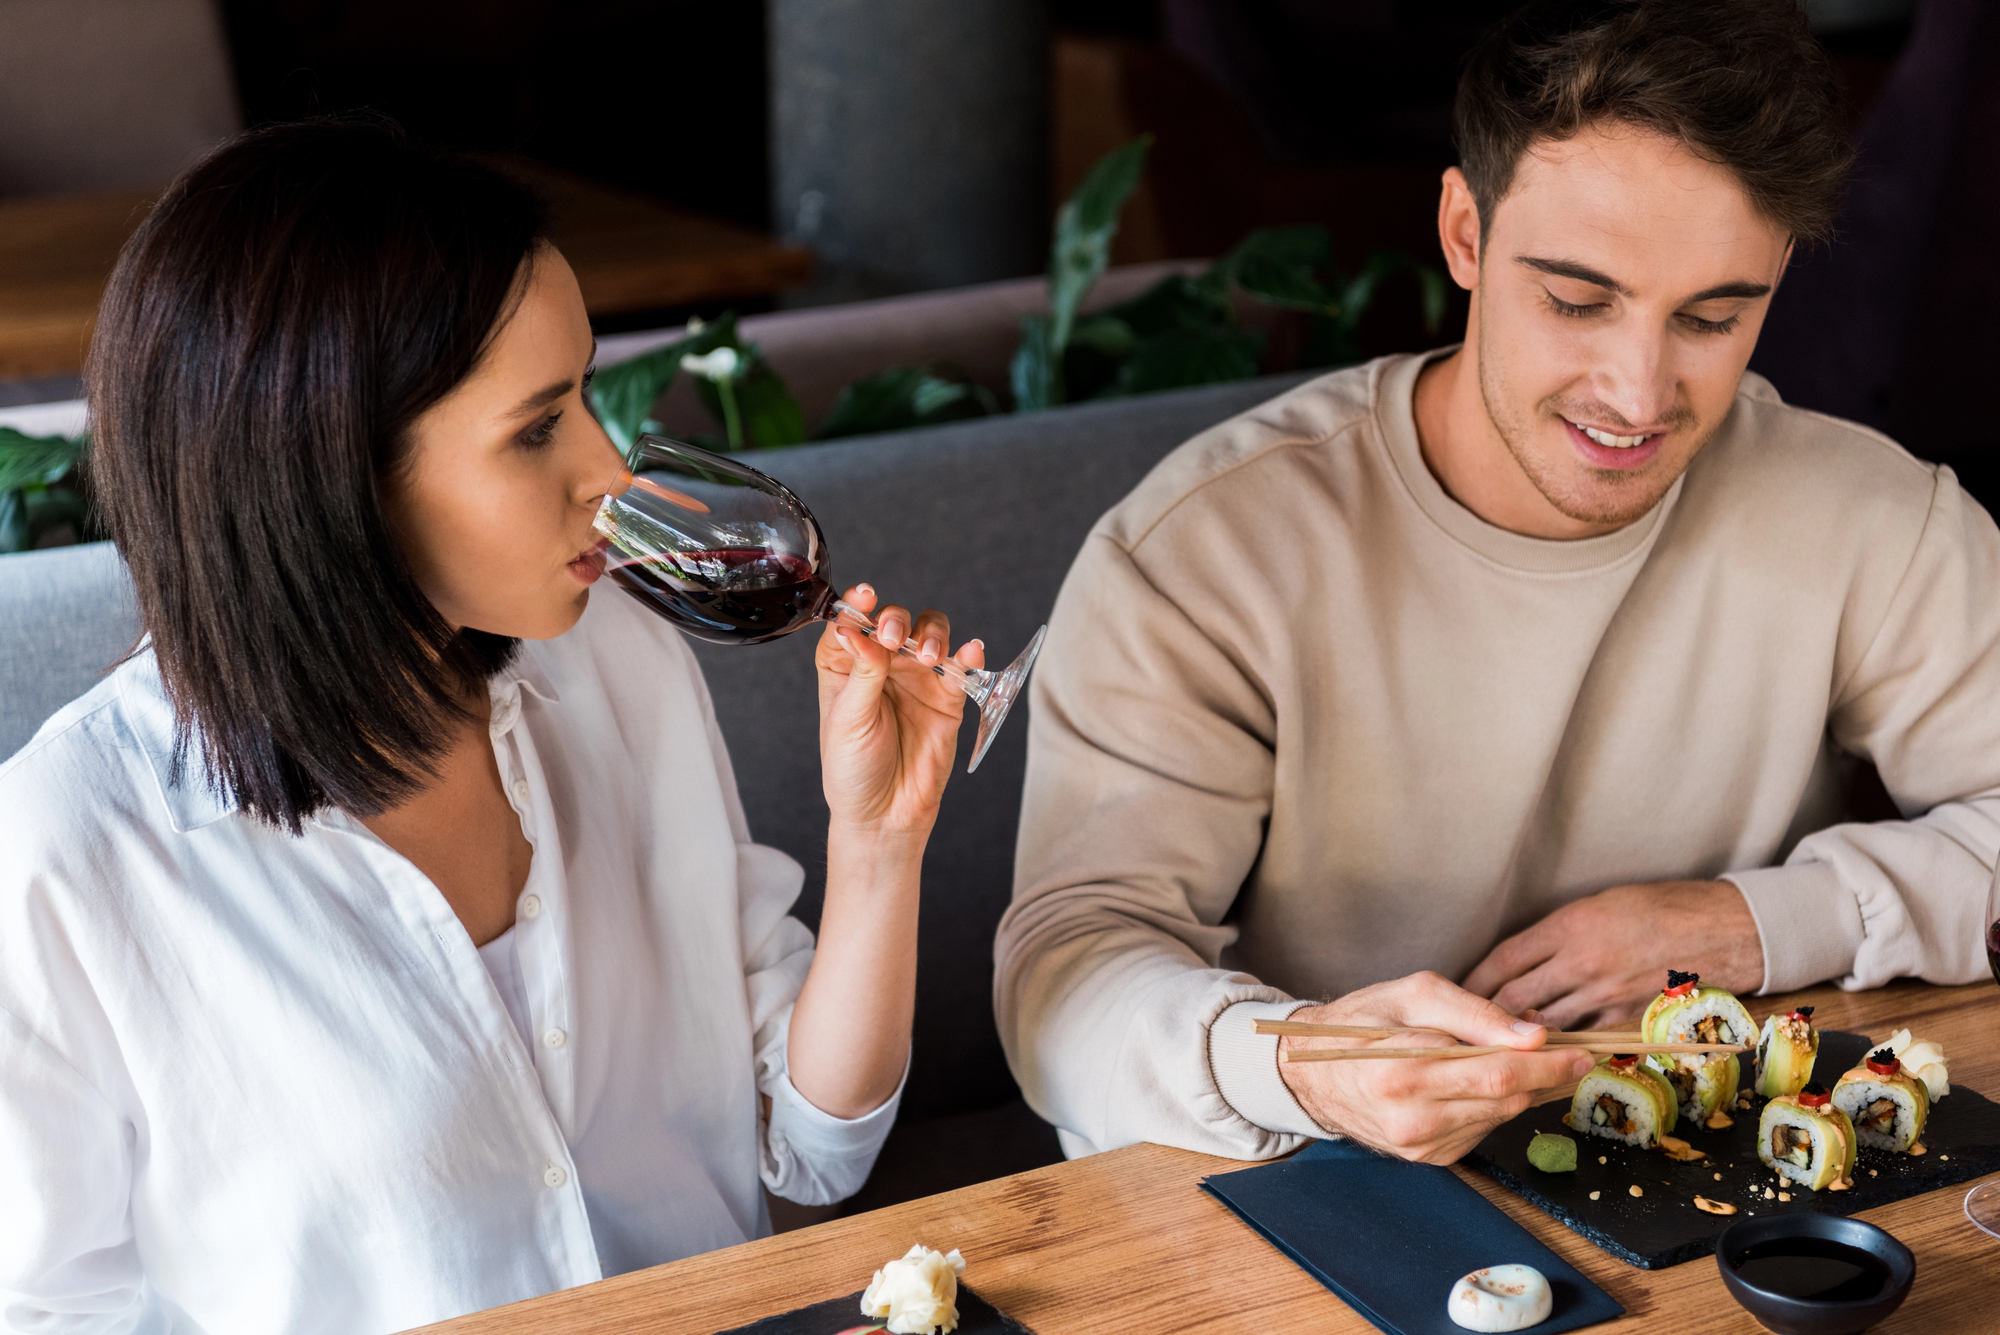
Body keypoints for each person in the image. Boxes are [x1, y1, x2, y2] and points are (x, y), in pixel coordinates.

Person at [0, 120, 981, 1333]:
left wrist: (878, 845)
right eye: (536, 428)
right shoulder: (68, 848)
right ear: (331, 477)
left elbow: (810, 1154)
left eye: (586, 401)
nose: (611, 472)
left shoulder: (621, 659)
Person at [997, 0, 2000, 1167]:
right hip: (1299, 1182)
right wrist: (1302, 1062)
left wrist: (1748, 925)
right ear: (1463, 233)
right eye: (1576, 301)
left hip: (1713, 1170)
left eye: (1713, 317)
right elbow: (1062, 978)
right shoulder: (1199, 555)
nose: (1636, 393)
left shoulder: (1872, 516)